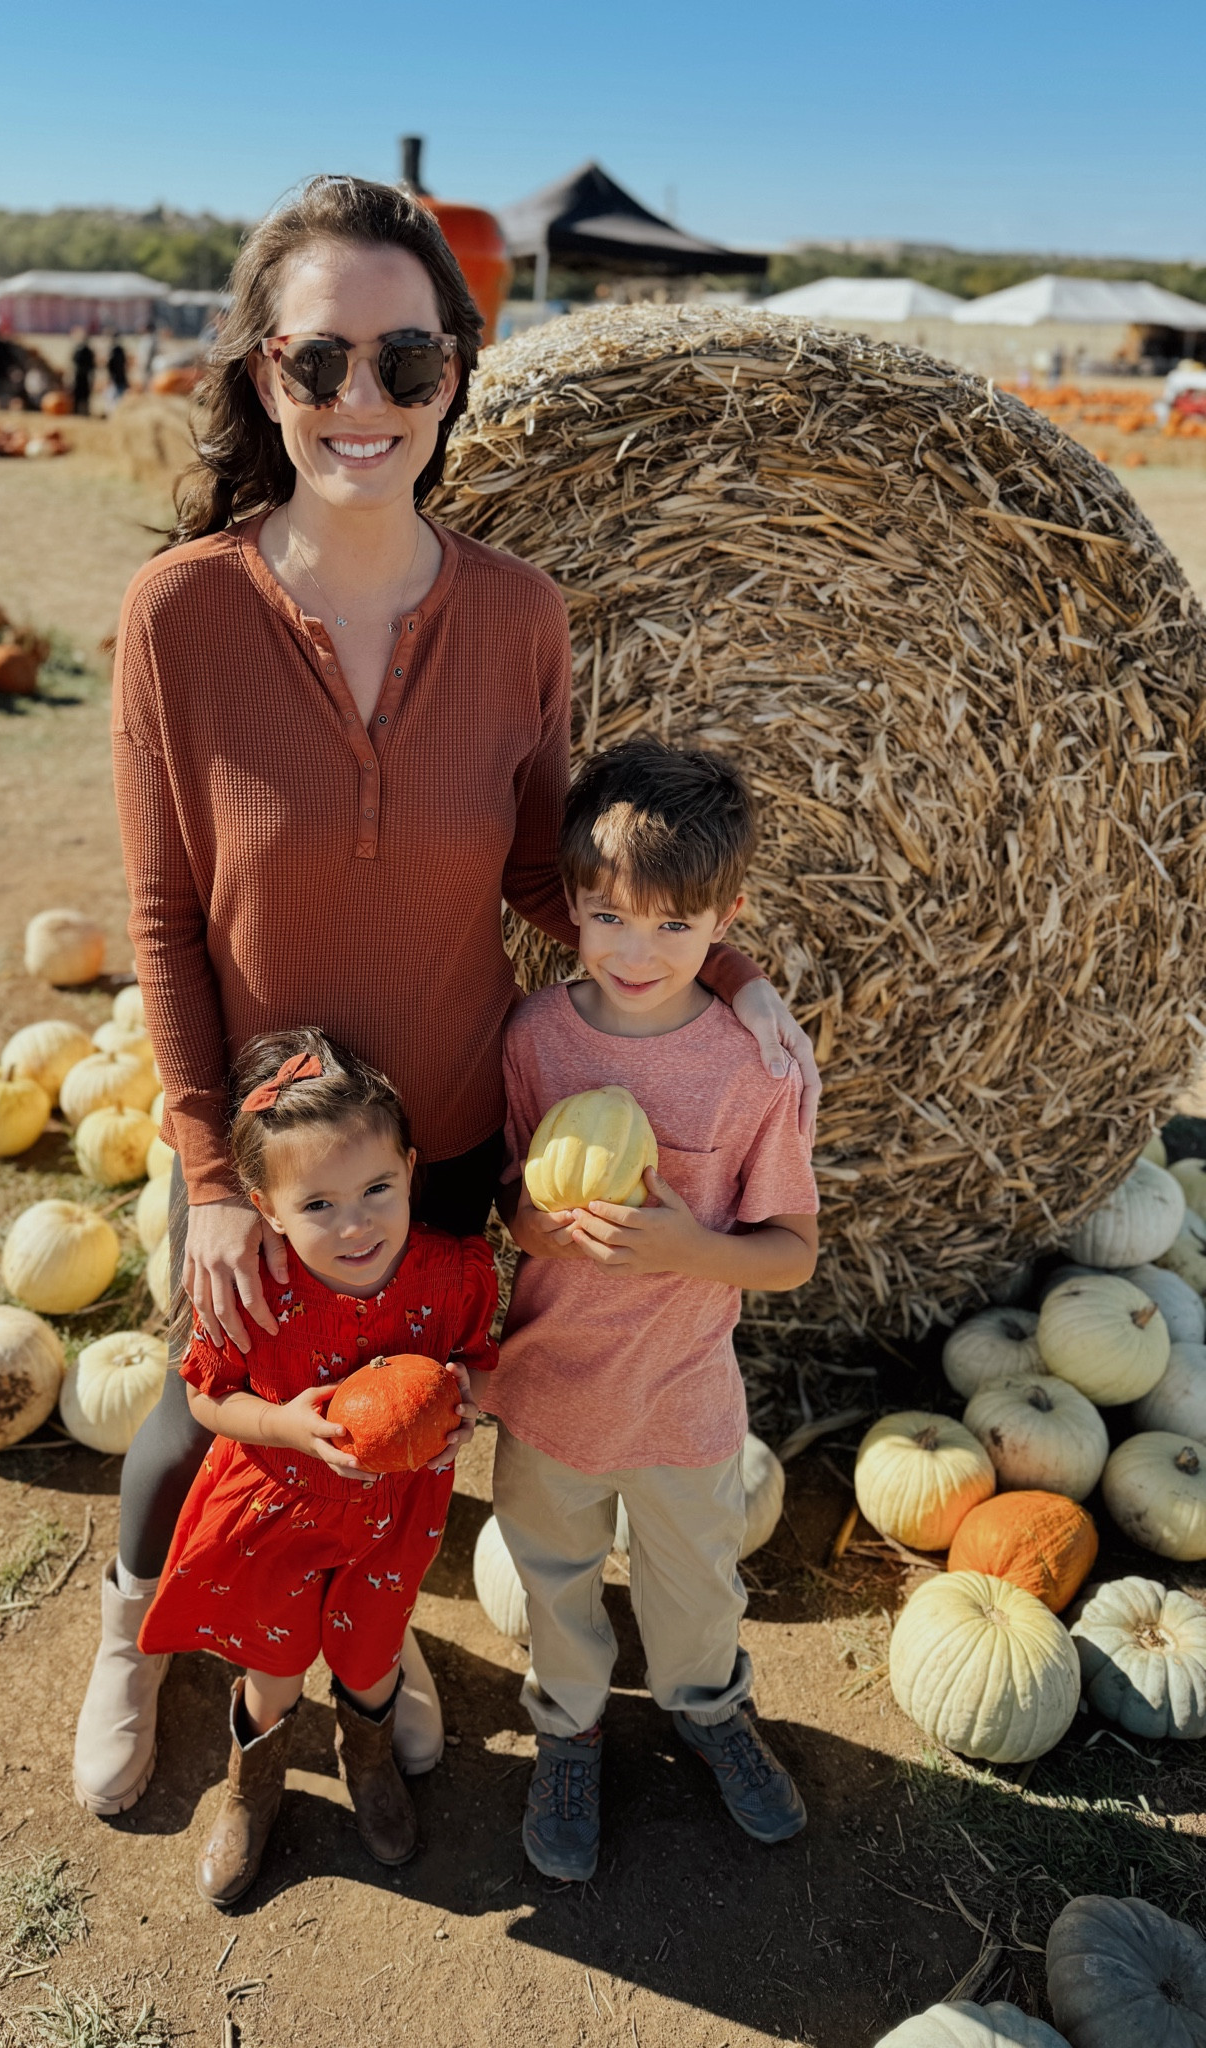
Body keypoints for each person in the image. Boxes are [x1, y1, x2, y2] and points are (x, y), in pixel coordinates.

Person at [74, 173, 820, 1821]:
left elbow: (550, 880)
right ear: (263, 376)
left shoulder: (515, 612)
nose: (362, 402)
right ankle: (132, 1627)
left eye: (404, 365)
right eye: (319, 361)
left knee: (403, 1419)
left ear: (457, 375)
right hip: (265, 1148)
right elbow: (162, 909)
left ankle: (362, 1640)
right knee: (207, 1416)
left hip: (458, 1131)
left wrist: (735, 967)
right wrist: (204, 1174)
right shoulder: (179, 612)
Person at [488, 738, 819, 1883]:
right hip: (549, 1386)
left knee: (696, 1580)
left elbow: (793, 1252)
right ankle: (571, 1723)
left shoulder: (752, 1070)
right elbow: (508, 1210)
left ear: (727, 917)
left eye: (676, 927)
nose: (638, 950)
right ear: (569, 904)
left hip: (683, 1394)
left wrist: (692, 1246)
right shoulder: (533, 1037)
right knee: (554, 1568)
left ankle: (707, 1704)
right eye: (608, 917)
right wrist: (538, 1221)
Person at [137, 1028, 494, 1905]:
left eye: (377, 1188)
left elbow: (479, 1360)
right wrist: (283, 1426)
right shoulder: (257, 1290)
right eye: (320, 1205)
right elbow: (206, 1397)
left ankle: (365, 1760)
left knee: (372, 1660)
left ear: (412, 1169)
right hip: (279, 1510)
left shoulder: (451, 1273)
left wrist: (465, 1406)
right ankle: (253, 1787)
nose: (357, 1222)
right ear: (265, 1208)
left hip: (391, 1518)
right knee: (273, 1666)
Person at [71, 330, 95, 415]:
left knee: (82, 395)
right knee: (82, 395)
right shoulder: (86, 350)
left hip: (81, 375)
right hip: (81, 376)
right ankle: (80, 411)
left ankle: (79, 411)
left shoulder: (80, 350)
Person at [106, 333, 129, 408]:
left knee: (115, 395)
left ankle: (116, 409)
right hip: (120, 375)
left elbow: (110, 365)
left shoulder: (113, 350)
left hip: (116, 376)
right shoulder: (120, 350)